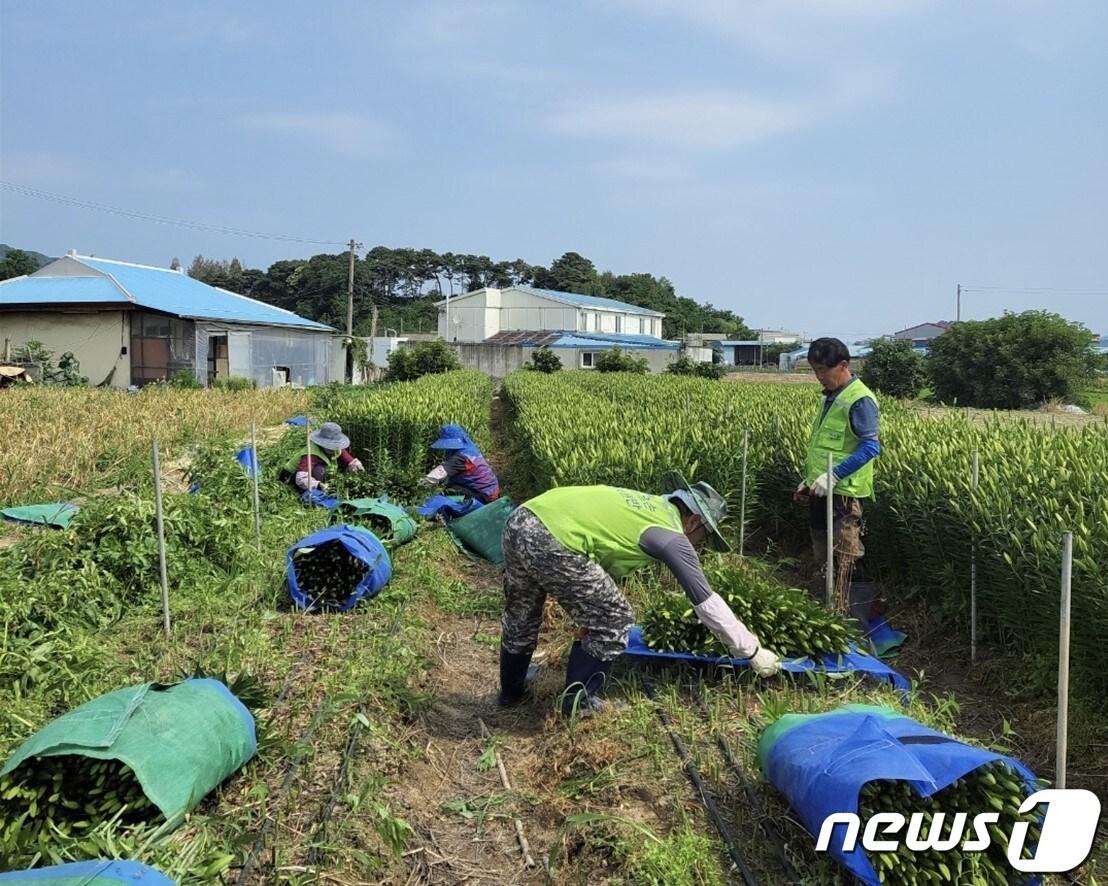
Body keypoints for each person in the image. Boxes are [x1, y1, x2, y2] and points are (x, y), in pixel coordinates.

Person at [498, 472, 781, 715]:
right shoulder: (671, 535)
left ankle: (511, 690)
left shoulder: (648, 506)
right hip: (553, 539)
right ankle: (579, 704)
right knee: (615, 617)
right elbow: (706, 603)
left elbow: (597, 562)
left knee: (522, 612)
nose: (699, 546)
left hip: (523, 519)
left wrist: (590, 619)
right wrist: (751, 650)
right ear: (693, 521)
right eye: (703, 538)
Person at [794, 337, 881, 616]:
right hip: (821, 490)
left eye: (823, 370)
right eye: (815, 370)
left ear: (844, 365)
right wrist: (809, 482)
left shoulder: (860, 399)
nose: (819, 377)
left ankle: (852, 617)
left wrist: (834, 475)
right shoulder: (831, 397)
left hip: (844, 493)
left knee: (846, 556)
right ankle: (828, 608)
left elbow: (871, 447)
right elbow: (826, 446)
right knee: (823, 551)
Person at [420, 423, 500, 503]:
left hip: (485, 496)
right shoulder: (469, 449)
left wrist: (419, 486)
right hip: (490, 491)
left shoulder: (462, 457)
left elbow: (439, 473)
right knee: (451, 487)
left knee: (449, 492)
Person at [282, 421, 364, 492]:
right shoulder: (311, 454)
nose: (332, 448)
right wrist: (319, 485)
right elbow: (301, 478)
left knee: (323, 471)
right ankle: (308, 492)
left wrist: (358, 468)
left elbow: (350, 460)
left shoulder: (337, 449)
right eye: (329, 445)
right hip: (292, 477)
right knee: (319, 471)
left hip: (308, 475)